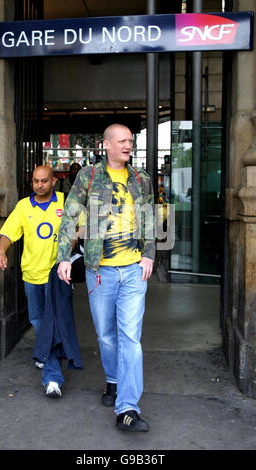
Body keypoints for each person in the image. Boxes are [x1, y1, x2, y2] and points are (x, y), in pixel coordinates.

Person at [57, 123, 155, 432]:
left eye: (130, 141)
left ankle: (127, 408)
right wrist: (62, 256)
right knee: (105, 336)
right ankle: (112, 379)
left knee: (130, 337)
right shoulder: (88, 176)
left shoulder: (142, 179)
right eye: (122, 141)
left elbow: (151, 218)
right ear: (107, 144)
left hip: (133, 270)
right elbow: (71, 214)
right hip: (99, 270)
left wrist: (150, 253)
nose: (128, 145)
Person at [0, 165, 68, 397]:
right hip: (31, 274)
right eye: (35, 181)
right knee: (37, 318)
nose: (39, 185)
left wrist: (69, 249)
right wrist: (0, 251)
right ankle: (45, 350)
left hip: (56, 275)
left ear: (54, 181)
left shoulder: (66, 202)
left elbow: (80, 228)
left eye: (44, 181)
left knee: (50, 323)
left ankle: (52, 377)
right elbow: (8, 232)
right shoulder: (24, 206)